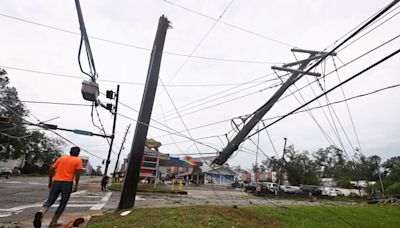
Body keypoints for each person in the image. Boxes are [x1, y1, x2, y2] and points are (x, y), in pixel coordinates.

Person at [33, 146, 83, 228]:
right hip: (67, 183)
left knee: (50, 200)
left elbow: (52, 169)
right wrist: (76, 184)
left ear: (70, 152)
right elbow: (77, 174)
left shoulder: (61, 158)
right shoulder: (78, 160)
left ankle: (41, 212)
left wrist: (50, 181)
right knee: (63, 203)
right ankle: (53, 222)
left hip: (56, 182)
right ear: (78, 153)